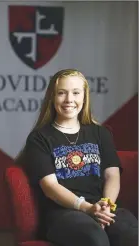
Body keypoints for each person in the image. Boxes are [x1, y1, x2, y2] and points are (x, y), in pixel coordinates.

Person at [17, 69, 138, 246]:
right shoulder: (39, 138)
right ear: (52, 97)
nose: (69, 100)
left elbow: (112, 175)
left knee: (131, 234)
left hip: (101, 207)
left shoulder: (100, 133)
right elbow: (50, 187)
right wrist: (88, 208)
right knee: (95, 239)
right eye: (61, 93)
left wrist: (106, 204)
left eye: (75, 93)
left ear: (84, 97)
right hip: (62, 214)